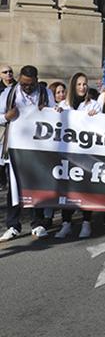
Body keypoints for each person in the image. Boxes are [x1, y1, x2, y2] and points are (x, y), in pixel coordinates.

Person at [0, 65, 56, 241]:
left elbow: (54, 116)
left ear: (37, 80)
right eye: (24, 84)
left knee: (37, 185)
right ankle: (13, 225)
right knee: (14, 188)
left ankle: (37, 223)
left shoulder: (46, 93)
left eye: (30, 84)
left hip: (38, 149)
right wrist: (6, 117)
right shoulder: (8, 94)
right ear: (19, 79)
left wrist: (57, 112)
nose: (27, 87)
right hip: (15, 148)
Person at [54, 72, 99, 239]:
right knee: (67, 189)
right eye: (79, 84)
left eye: (85, 84)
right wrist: (55, 112)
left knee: (85, 189)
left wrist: (96, 118)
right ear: (73, 86)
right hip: (67, 154)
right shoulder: (63, 105)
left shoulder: (94, 105)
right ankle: (66, 224)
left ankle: (86, 223)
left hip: (87, 155)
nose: (82, 87)